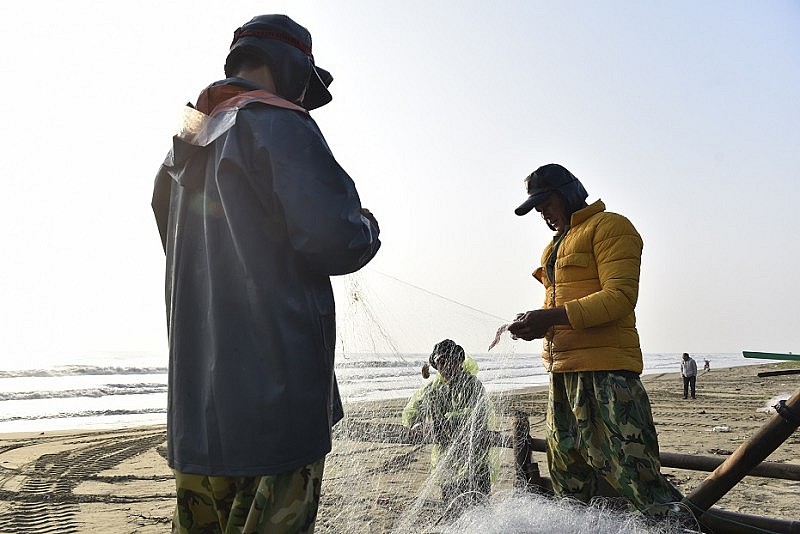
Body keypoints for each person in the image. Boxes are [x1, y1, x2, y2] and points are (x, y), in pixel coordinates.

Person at [151, 14, 381, 533]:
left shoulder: (181, 149)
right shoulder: (280, 124)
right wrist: (366, 226)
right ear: (293, 66)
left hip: (197, 416)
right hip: (277, 405)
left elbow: (177, 242)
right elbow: (335, 238)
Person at [507, 164, 682, 517]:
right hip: (562, 376)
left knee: (634, 472)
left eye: (546, 202)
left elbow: (619, 297)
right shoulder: (551, 248)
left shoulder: (611, 227)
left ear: (568, 193)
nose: (542, 213)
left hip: (609, 373)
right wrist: (537, 326)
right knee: (567, 473)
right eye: (536, 207)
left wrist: (551, 317)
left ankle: (672, 525)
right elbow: (556, 307)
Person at [402, 339, 493, 514]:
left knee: (480, 512)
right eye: (441, 362)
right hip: (448, 465)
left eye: (451, 361)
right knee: (452, 512)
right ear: (436, 365)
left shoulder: (473, 385)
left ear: (459, 361)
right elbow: (413, 409)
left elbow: (477, 416)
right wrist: (417, 423)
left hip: (476, 462)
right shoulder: (432, 389)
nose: (447, 367)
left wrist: (442, 424)